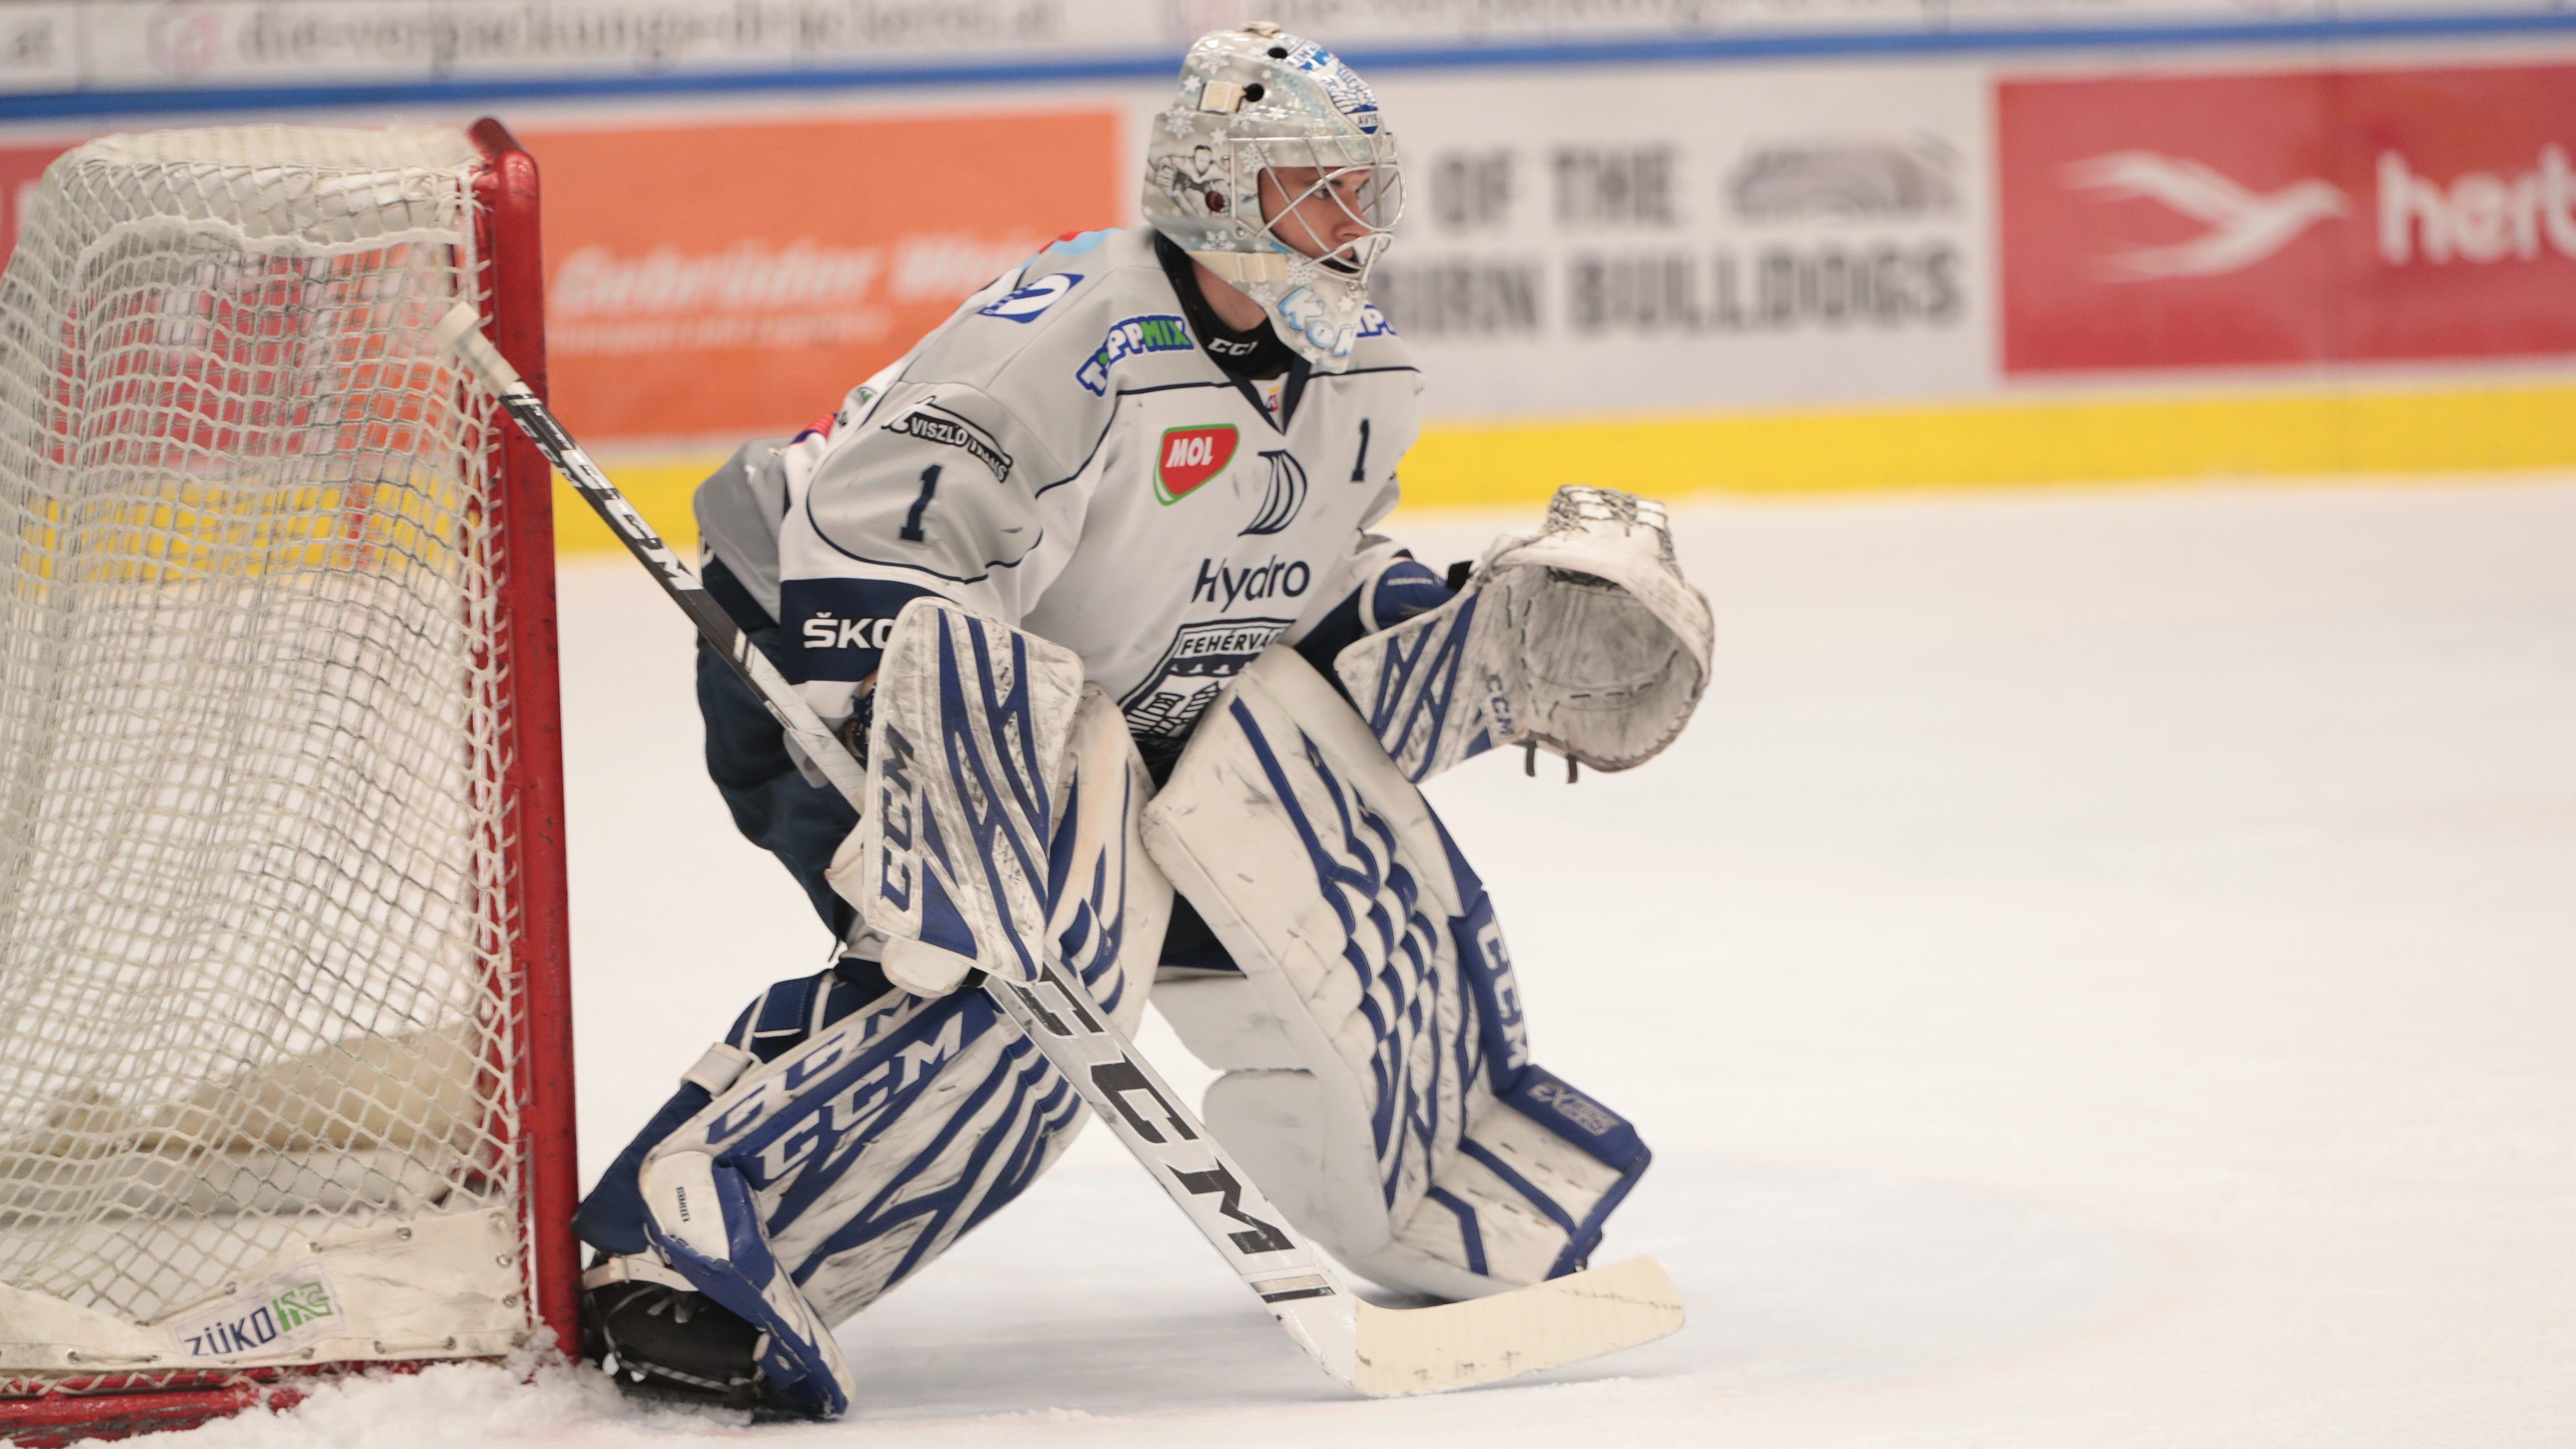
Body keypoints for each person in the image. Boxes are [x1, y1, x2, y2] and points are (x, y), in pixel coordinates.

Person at [569, 23, 1710, 1417]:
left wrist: (1459, 622)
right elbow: (874, 540)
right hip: (838, 654)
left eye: (1363, 189)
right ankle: (675, 1254)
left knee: (1345, 871)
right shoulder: (1072, 326)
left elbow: (1302, 600)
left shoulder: (1359, 375)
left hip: (1117, 701)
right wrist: (941, 763)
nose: (1353, 222)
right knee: (1014, 979)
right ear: (1218, 189)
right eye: (1314, 187)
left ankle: (1437, 1184)